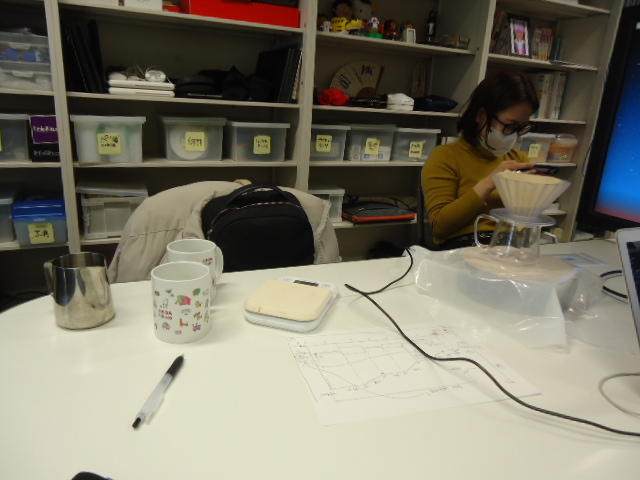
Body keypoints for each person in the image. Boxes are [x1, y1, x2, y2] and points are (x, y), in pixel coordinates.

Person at [421, 71, 538, 250]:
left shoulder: (518, 159)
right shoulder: (445, 157)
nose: (514, 135)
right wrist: (489, 183)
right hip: (463, 248)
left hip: (510, 247)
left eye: (520, 128)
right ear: (481, 115)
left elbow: (526, 223)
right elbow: (440, 227)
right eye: (509, 126)